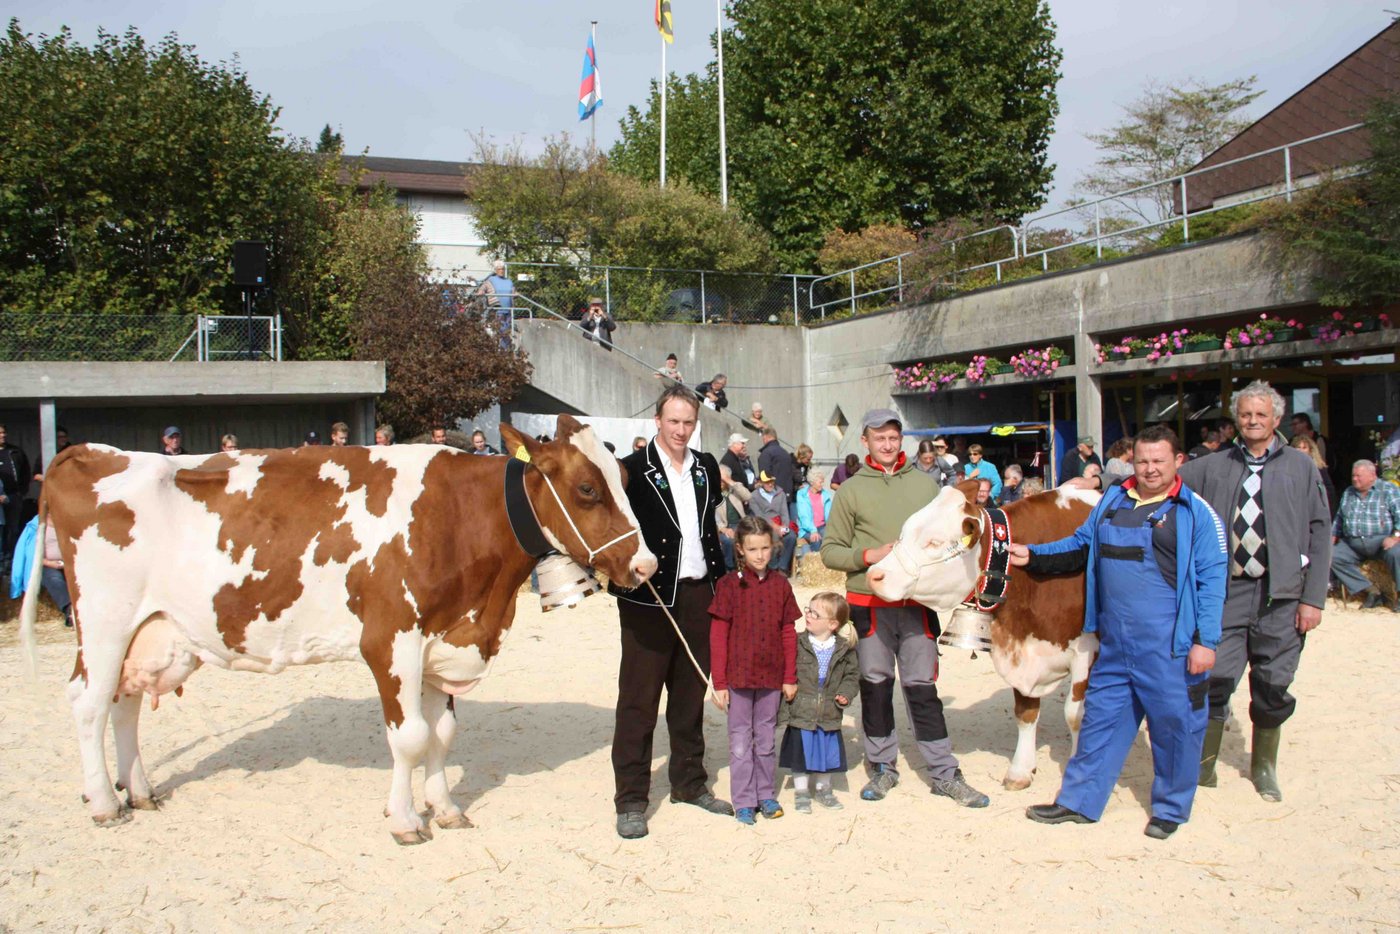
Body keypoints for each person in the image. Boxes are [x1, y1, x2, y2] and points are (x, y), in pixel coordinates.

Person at [1013, 424, 1228, 839]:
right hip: (1114, 642)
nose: (1149, 469)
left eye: (1158, 461)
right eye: (1142, 460)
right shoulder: (1113, 498)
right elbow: (1079, 544)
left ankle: (1170, 808)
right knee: (1101, 723)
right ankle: (1079, 802)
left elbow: (1212, 580)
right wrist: (1033, 555)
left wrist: (1206, 641)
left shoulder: (1195, 511)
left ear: (1178, 461)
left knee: (1175, 727)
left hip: (1171, 646)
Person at [820, 408, 989, 808]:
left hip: (917, 603)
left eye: (893, 436)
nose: (887, 443)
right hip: (869, 602)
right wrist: (869, 554)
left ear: (901, 439)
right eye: (879, 437)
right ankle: (882, 768)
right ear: (865, 441)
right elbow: (829, 552)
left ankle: (944, 772)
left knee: (921, 687)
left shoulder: (927, 487)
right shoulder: (850, 490)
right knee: (875, 687)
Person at [1178, 380, 1331, 803]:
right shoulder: (1211, 465)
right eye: (1246, 414)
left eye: (1261, 414)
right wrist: (1096, 485)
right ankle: (1203, 767)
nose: (1253, 421)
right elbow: (1161, 481)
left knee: (1273, 683)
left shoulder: (1301, 468)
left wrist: (1312, 599)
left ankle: (1263, 767)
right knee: (1211, 677)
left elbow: (1321, 532)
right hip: (1226, 593)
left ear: (1276, 419)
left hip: (1281, 595)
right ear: (1236, 418)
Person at [610, 384, 732, 839]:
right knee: (639, 701)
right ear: (657, 421)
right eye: (673, 421)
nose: (681, 430)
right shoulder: (630, 470)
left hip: (701, 593)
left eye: (688, 422)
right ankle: (631, 800)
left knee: (688, 697)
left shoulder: (706, 467)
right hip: (648, 597)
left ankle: (689, 783)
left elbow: (708, 529)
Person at [708, 515, 800, 825]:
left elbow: (788, 631)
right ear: (740, 550)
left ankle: (765, 794)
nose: (760, 555)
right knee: (739, 741)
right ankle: (744, 799)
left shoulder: (781, 585)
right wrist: (718, 682)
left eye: (765, 548)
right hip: (738, 677)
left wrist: (789, 677)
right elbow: (718, 635)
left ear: (774, 547)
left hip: (772, 677)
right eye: (752, 549)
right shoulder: (728, 585)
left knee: (765, 739)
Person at [779, 592, 860, 812]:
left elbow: (852, 676)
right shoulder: (797, 642)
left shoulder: (844, 648)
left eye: (816, 613)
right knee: (801, 755)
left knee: (826, 756)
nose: (809, 615)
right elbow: (786, 669)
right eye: (809, 609)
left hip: (829, 712)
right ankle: (802, 792)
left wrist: (845, 693)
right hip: (801, 710)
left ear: (832, 624)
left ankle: (825, 790)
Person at [1330, 459, 1400, 612]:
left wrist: (1395, 536)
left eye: (1359, 476)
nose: (1355, 479)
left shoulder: (1388, 490)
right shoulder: (1349, 492)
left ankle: (1397, 597)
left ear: (1372, 476)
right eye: (1353, 476)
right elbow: (1340, 518)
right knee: (1331, 555)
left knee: (1397, 553)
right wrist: (1333, 534)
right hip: (1353, 543)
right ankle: (1370, 591)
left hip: (1382, 541)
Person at [749, 470, 797, 573]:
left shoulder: (780, 493)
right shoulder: (754, 496)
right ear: (761, 483)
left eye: (772, 481)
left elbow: (784, 512)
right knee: (773, 537)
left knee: (791, 536)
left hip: (779, 522)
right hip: (763, 524)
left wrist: (784, 526)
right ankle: (772, 567)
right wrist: (775, 527)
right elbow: (759, 515)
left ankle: (782, 566)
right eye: (767, 482)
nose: (770, 484)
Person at [0, 424, 32, 570]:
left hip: (14, 496)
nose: (3, 435)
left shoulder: (15, 451)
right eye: (0, 433)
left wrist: (22, 491)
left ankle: (11, 561)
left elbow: (26, 471)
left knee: (13, 528)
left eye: (4, 432)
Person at [716, 465, 752, 571]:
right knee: (728, 541)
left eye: (722, 479)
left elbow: (748, 496)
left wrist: (729, 481)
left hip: (740, 524)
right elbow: (713, 514)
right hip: (723, 527)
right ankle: (730, 568)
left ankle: (747, 567)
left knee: (749, 538)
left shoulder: (735, 489)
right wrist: (723, 528)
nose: (720, 482)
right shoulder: (713, 492)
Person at [1289, 435, 1336, 516]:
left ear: (1310, 451)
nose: (1301, 450)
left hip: (1314, 511)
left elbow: (1329, 492)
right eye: (1298, 447)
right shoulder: (1287, 468)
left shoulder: (1319, 469)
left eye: (1304, 448)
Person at [794, 469, 832, 557]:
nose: (822, 485)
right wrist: (813, 530)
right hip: (807, 529)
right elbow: (804, 516)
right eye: (820, 482)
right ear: (813, 482)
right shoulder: (802, 494)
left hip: (823, 526)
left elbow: (830, 515)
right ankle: (816, 564)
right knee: (816, 539)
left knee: (831, 539)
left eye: (823, 482)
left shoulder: (825, 495)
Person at [477, 259, 515, 344]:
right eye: (499, 269)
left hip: (508, 310)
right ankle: (500, 351)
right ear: (496, 270)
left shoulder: (509, 281)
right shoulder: (491, 279)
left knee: (506, 331)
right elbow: (483, 287)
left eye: (502, 269)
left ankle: (504, 351)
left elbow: (513, 292)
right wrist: (481, 291)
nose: (501, 271)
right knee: (500, 331)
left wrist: (516, 294)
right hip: (497, 309)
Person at [757, 427, 794, 497]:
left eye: (763, 439)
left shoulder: (766, 453)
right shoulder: (785, 453)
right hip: (787, 493)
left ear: (766, 437)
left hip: (773, 495)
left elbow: (764, 476)